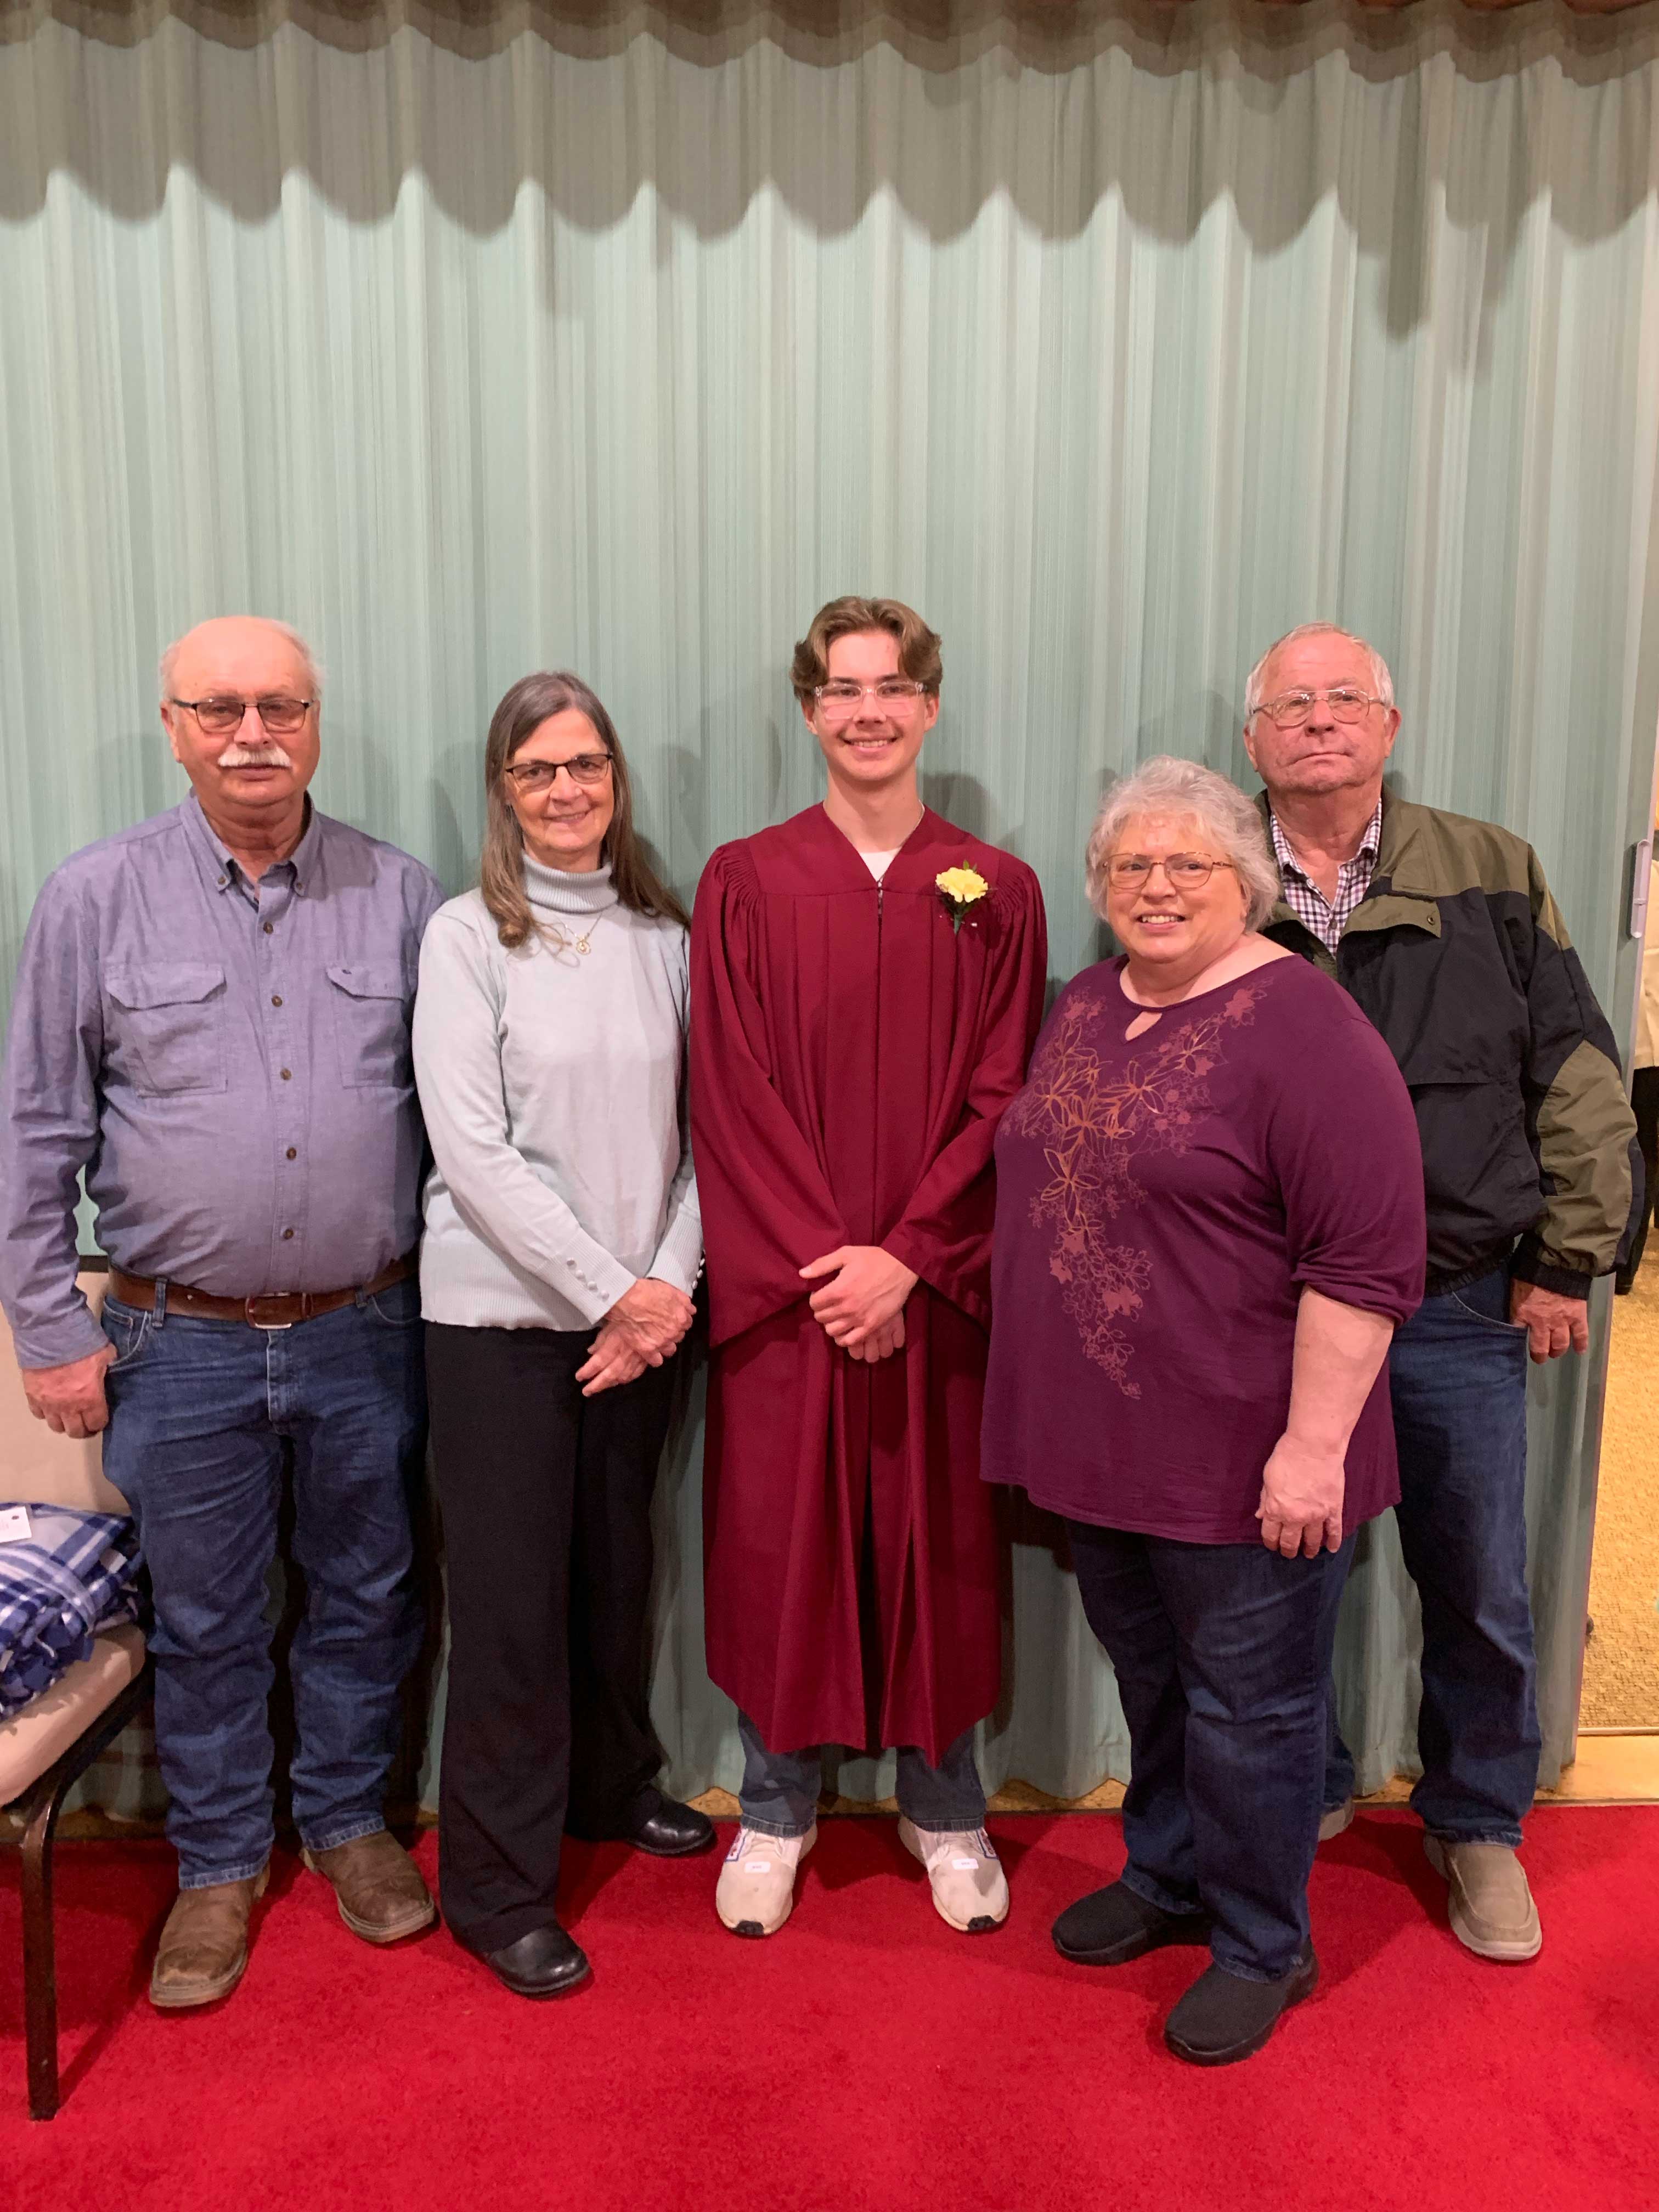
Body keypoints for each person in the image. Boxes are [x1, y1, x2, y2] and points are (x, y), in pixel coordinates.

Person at [0, 617, 444, 2008]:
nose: (254, 733)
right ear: (176, 724)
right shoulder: (94, 896)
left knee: (367, 1598)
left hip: (367, 1329)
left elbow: (458, 1123)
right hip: (169, 1339)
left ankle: (349, 1824)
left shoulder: (401, 892)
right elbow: (33, 1132)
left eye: (282, 706)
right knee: (204, 1620)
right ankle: (214, 1863)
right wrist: (47, 1328)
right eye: (222, 708)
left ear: (316, 720)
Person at [983, 756, 1425, 2066]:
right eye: (1132, 864)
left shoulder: (1309, 1031)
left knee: (1255, 1710)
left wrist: (1311, 1451)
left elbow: (1364, 1262)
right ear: (1100, 885)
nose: (1159, 887)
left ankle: (1261, 1941)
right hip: (1106, 1451)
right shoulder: (1084, 1001)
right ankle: (1170, 1876)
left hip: (1247, 1456)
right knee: (1159, 1682)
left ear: (1245, 882)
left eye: (1190, 864)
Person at [1242, 621, 1643, 1962]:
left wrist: (1567, 1256)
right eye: (1290, 705)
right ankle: (1295, 1801)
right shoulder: (1205, 870)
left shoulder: (1493, 869)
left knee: (1476, 1582)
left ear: (1389, 728)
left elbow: (1578, 1072)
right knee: (1280, 1583)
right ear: (1254, 738)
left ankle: (1479, 1826)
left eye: (1343, 700)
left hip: (1459, 1304)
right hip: (1271, 1321)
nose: (1318, 723)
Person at [691, 595, 1047, 1939]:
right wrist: (827, 1273)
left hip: (933, 1297)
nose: (869, 711)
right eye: (843, 689)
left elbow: (1009, 1094)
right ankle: (773, 1810)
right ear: (809, 710)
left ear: (931, 706)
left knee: (937, 1546)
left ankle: (945, 1809)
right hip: (797, 1301)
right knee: (783, 1545)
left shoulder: (994, 890)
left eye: (893, 687)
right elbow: (728, 1093)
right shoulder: (746, 880)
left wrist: (906, 1259)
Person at [413, 672, 710, 2000]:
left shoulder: (666, 934)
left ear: (616, 777)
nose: (567, 789)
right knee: (514, 1610)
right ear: (503, 791)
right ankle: (495, 1887)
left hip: (646, 1323)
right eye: (538, 771)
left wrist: (666, 1290)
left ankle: (608, 1788)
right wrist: (616, 1293)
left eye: (586, 763)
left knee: (613, 1577)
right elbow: (471, 1153)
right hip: (501, 1329)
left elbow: (714, 1138)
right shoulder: (465, 937)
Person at [1615, 814, 1658, 1294]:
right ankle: (1621, 1266)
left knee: (1641, 1150)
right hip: (1632, 1039)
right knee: (1636, 1150)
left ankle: (1625, 1267)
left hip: (1649, 1047)